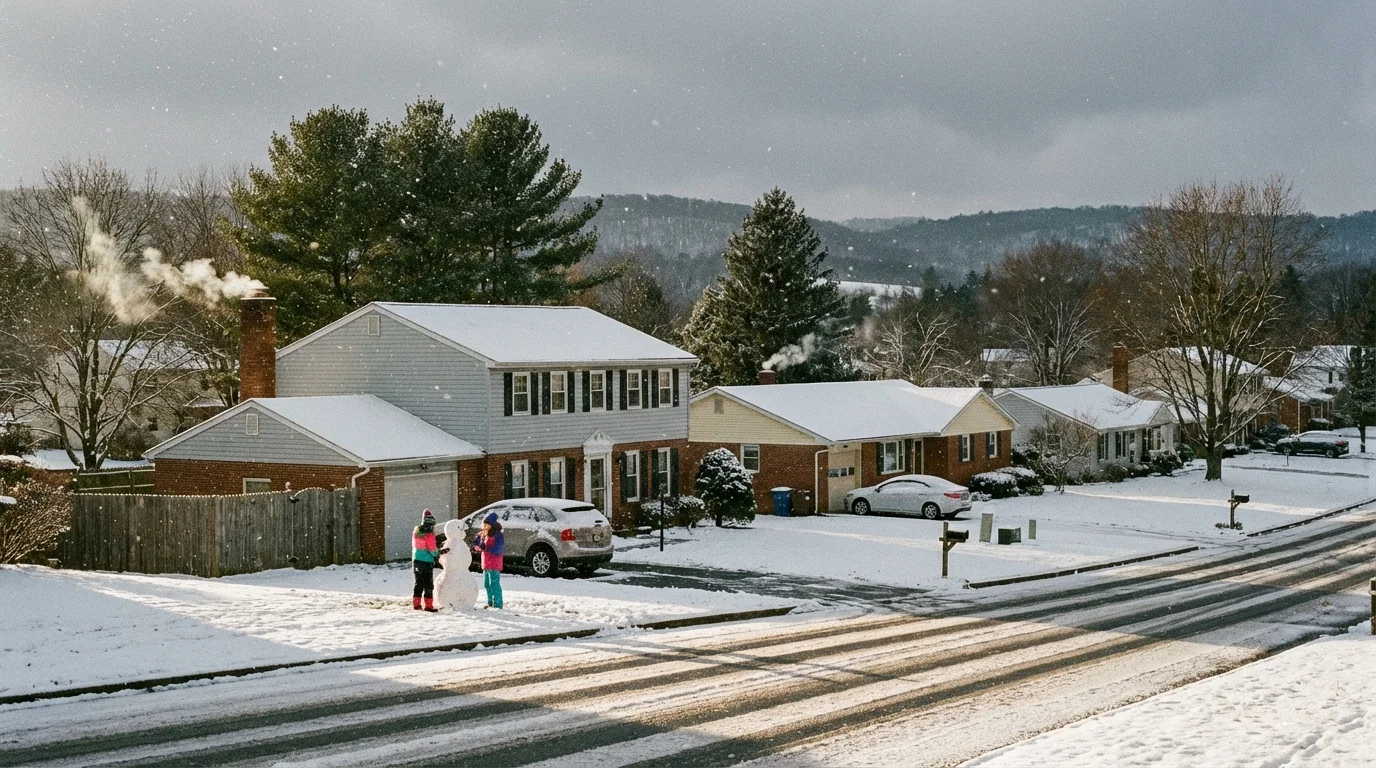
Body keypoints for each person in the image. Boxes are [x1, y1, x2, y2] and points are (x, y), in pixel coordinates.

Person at [473, 512, 505, 609]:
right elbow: (477, 544)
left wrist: (487, 548)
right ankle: (490, 602)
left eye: (487, 525)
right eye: (484, 525)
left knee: (494, 583)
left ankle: (498, 603)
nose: (485, 527)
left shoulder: (498, 535)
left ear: (492, 525)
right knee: (487, 584)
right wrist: (478, 545)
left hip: (494, 563)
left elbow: (498, 548)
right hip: (486, 563)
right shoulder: (483, 534)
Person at [412, 509, 440, 612]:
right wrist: (438, 553)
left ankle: (416, 604)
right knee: (428, 584)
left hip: (416, 560)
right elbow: (432, 549)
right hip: (426, 561)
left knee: (418, 583)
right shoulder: (429, 534)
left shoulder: (416, 531)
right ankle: (428, 606)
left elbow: (414, 545)